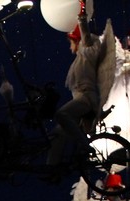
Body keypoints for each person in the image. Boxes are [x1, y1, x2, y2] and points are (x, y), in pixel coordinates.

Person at [46, 1, 101, 174]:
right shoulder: (78, 60)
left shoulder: (87, 52)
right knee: (58, 133)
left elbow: (85, 35)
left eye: (71, 41)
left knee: (61, 114)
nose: (70, 45)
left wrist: (82, 13)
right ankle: (51, 168)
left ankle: (86, 146)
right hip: (79, 99)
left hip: (87, 98)